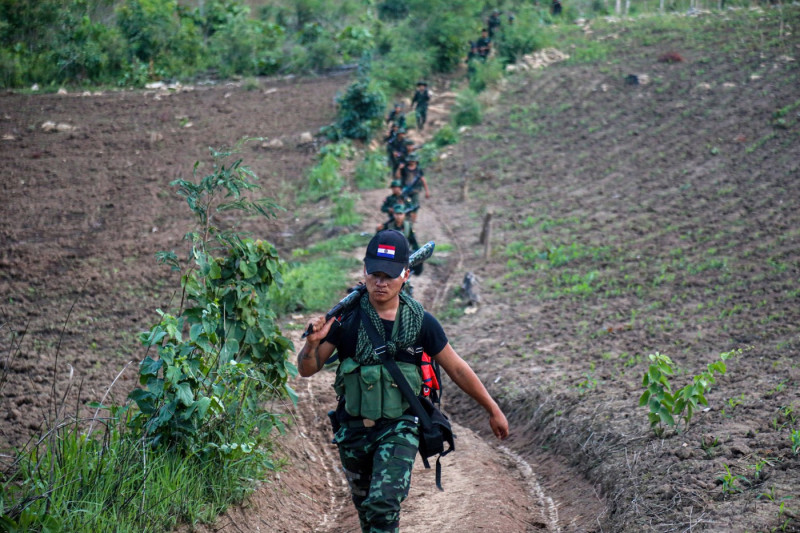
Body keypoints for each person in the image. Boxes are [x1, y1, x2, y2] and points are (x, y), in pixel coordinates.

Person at [297, 230, 509, 533]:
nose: (381, 282)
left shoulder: (420, 321)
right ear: (365, 272)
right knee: (369, 517)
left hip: (400, 427)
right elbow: (308, 369)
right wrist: (312, 344)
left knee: (383, 506)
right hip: (353, 431)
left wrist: (492, 408)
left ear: (405, 275)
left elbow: (457, 368)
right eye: (375, 274)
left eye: (389, 275)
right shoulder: (346, 320)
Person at [395, 155, 429, 223]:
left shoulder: (419, 170)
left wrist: (427, 191)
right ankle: (403, 219)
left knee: (415, 206)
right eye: (411, 160)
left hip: (415, 190)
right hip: (405, 190)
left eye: (413, 160)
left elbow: (423, 180)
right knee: (403, 205)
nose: (412, 162)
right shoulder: (404, 169)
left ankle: (413, 221)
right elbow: (397, 176)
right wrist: (399, 168)